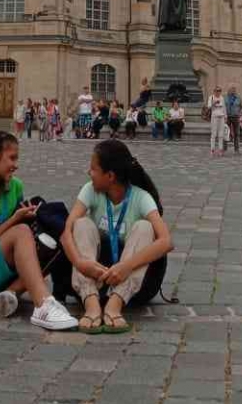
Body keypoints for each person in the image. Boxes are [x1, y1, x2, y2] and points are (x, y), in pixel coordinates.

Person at [0, 131, 77, 330]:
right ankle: (43, 305)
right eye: (12, 158)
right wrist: (13, 221)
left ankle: (8, 294)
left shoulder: (15, 187)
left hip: (0, 270)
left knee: (48, 238)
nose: (16, 165)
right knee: (20, 232)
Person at [62, 139, 173, 333]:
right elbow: (66, 232)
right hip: (95, 276)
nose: (89, 173)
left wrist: (126, 266)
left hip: (133, 284)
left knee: (145, 227)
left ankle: (115, 303)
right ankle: (91, 302)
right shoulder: (90, 190)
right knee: (81, 224)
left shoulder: (141, 198)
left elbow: (166, 241)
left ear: (110, 176)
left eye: (94, 169)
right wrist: (79, 262)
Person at [208, 86, 226, 156]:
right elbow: (209, 106)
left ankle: (220, 149)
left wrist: (225, 116)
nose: (218, 92)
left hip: (221, 117)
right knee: (214, 133)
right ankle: (212, 149)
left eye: (219, 91)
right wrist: (214, 103)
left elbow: (224, 107)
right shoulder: (211, 97)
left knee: (221, 134)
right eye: (216, 91)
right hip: (214, 117)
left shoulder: (222, 98)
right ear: (214, 91)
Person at [225, 85, 242, 154]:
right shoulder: (225, 98)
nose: (233, 91)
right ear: (229, 90)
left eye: (234, 90)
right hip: (227, 117)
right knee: (226, 133)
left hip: (236, 117)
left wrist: (240, 113)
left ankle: (236, 149)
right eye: (231, 89)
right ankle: (224, 149)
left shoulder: (238, 98)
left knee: (236, 134)